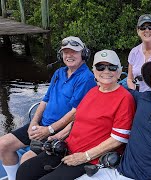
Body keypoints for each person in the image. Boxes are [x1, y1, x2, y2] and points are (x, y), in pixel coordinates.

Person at [16, 50, 136, 180]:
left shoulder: (125, 98)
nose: (106, 71)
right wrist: (57, 136)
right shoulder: (92, 92)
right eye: (100, 67)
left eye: (112, 67)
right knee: (24, 171)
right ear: (94, 72)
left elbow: (118, 139)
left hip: (90, 159)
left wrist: (85, 156)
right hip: (67, 148)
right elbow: (76, 119)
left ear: (119, 72)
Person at [0, 36, 97, 180]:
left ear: (84, 54)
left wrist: (49, 130)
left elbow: (75, 113)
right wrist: (34, 122)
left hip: (59, 131)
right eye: (66, 52)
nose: (69, 56)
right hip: (42, 124)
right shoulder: (59, 73)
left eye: (74, 52)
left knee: (26, 160)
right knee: (3, 144)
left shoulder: (86, 78)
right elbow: (45, 100)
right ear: (61, 55)